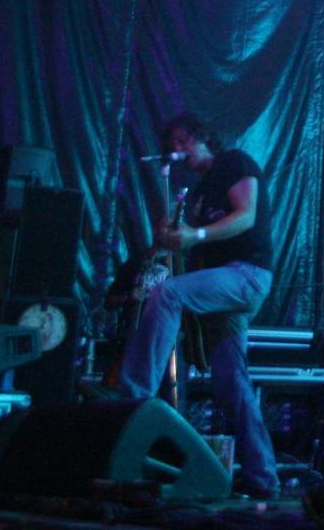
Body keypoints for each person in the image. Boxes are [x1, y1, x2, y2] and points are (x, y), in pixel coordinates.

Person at [114, 111, 280, 499]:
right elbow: (189, 246)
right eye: (171, 146)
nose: (176, 151)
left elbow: (246, 215)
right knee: (231, 382)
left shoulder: (233, 162)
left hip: (247, 274)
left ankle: (133, 397)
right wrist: (170, 238)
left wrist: (197, 234)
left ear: (200, 136)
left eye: (181, 142)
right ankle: (263, 477)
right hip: (223, 285)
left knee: (167, 294)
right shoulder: (200, 194)